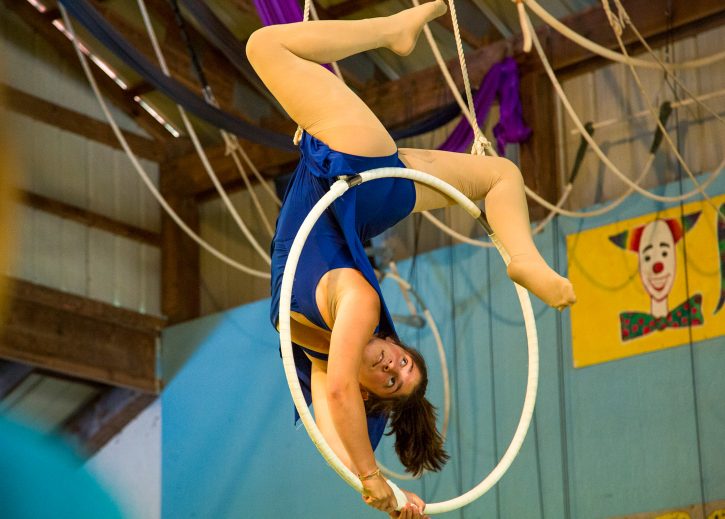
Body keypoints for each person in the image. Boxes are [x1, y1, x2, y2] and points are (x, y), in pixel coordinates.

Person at [247, 1, 576, 516]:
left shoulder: (318, 349)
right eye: (404, 361)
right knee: (265, 46)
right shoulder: (354, 303)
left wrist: (391, 494)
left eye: (392, 380)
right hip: (352, 166)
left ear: (373, 396)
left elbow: (334, 428)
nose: (392, 364)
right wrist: (374, 477)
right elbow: (339, 395)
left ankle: (393, 31)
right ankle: (525, 258)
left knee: (497, 177)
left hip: (354, 190)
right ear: (390, 341)